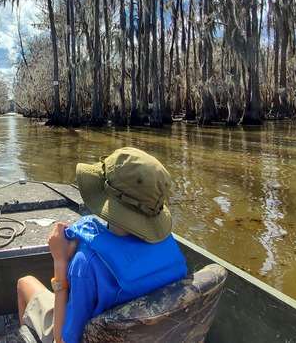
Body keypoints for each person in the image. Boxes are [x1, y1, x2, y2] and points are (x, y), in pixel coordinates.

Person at [16, 147, 188, 343]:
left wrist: (61, 262)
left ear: (106, 197)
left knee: (24, 283)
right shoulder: (168, 243)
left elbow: (63, 340)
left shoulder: (87, 263)